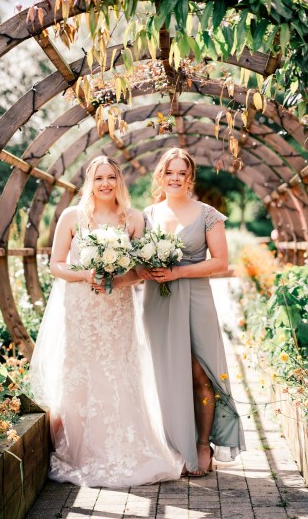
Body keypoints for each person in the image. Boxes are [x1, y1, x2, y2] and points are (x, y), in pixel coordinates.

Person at [29, 155, 183, 487]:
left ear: (119, 181)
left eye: (111, 177)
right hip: (81, 309)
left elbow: (140, 271)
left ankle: (127, 448)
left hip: (117, 309)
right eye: (98, 178)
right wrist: (87, 274)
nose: (105, 184)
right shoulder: (72, 216)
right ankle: (80, 450)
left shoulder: (134, 218)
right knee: (83, 373)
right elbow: (56, 265)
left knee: (117, 372)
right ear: (89, 182)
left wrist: (118, 281)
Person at [138, 147, 245, 477]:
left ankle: (201, 443)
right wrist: (147, 270)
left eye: (181, 173)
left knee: (202, 372)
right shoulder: (147, 215)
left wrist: (179, 272)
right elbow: (138, 260)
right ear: (161, 175)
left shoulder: (207, 213)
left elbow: (220, 261)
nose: (175, 178)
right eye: (169, 171)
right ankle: (174, 445)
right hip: (158, 301)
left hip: (196, 297)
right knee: (166, 373)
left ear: (189, 178)